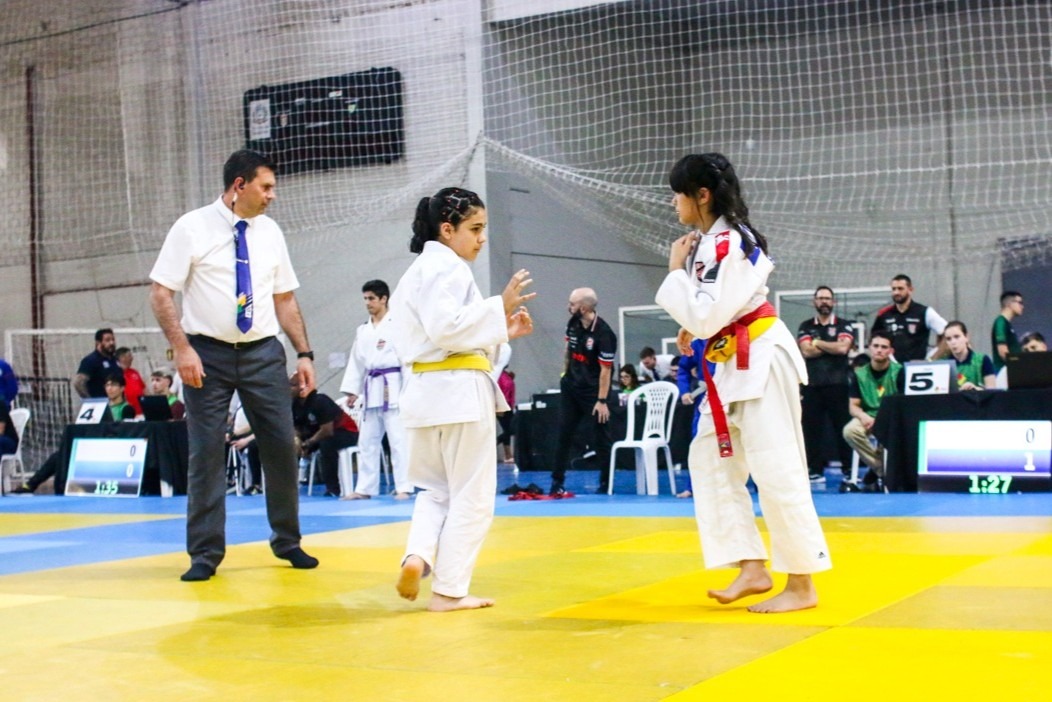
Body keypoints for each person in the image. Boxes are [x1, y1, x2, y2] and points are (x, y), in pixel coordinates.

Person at [654, 152, 830, 613]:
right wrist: (695, 324)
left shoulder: (728, 240)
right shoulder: (710, 242)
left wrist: (675, 273)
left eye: (678, 194)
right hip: (734, 359)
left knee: (777, 467)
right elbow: (714, 309)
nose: (674, 202)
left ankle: (802, 583)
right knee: (709, 459)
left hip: (762, 358)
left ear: (702, 195)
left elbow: (708, 312)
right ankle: (751, 565)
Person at [148, 149, 318, 582]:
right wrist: (182, 349)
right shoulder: (191, 227)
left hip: (263, 353)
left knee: (281, 445)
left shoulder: (271, 232)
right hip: (207, 354)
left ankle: (288, 540)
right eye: (266, 187)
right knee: (206, 452)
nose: (272, 195)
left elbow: (285, 298)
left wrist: (304, 353)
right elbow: (161, 293)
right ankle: (205, 553)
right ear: (239, 185)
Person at [390, 186, 535, 612]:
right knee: (472, 494)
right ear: (447, 229)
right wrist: (498, 306)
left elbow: (433, 336)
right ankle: (449, 591)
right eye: (475, 228)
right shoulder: (448, 268)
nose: (482, 238)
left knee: (435, 490)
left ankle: (418, 555)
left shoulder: (412, 275)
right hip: (458, 392)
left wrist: (501, 329)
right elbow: (447, 329)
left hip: (423, 391)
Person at [339, 279, 413, 500]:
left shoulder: (398, 325)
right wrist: (352, 390)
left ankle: (404, 487)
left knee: (398, 440)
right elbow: (356, 361)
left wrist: (409, 390)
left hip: (394, 386)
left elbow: (407, 360)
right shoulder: (363, 330)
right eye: (365, 299)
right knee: (367, 441)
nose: (367, 303)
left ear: (384, 299)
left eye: (371, 298)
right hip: (371, 389)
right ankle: (365, 488)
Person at [549, 287, 617, 495]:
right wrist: (565, 374)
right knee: (564, 433)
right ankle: (556, 482)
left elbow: (606, 370)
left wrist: (602, 401)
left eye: (572, 304)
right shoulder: (573, 324)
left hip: (594, 393)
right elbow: (568, 351)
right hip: (571, 387)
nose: (568, 307)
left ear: (584, 308)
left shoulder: (604, 334)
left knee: (601, 437)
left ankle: (606, 483)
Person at [796, 286, 856, 484]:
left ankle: (849, 469)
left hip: (839, 385)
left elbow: (843, 348)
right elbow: (806, 351)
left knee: (843, 428)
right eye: (820, 298)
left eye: (827, 298)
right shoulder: (805, 326)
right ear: (814, 302)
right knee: (811, 430)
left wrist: (817, 342)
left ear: (833, 302)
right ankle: (815, 470)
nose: (824, 302)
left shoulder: (844, 325)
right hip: (812, 386)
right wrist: (830, 345)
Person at [842, 331, 904, 492]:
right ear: (869, 348)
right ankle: (883, 470)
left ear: (890, 351)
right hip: (868, 416)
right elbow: (853, 406)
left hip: (891, 418)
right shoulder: (859, 374)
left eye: (884, 347)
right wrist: (863, 416)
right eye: (876, 346)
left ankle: (878, 471)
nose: (879, 350)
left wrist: (883, 420)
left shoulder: (900, 371)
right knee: (850, 431)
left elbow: (903, 404)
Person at [291, 372, 359, 497]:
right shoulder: (294, 404)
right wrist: (299, 442)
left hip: (346, 433)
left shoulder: (320, 400)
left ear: (303, 387)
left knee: (327, 444)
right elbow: (296, 427)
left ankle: (333, 488)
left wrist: (308, 443)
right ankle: (290, 485)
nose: (288, 389)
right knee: (290, 446)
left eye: (292, 385)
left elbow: (327, 430)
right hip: (317, 435)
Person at [872, 275, 948, 362]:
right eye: (894, 289)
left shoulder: (924, 312)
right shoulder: (884, 314)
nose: (896, 292)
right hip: (892, 367)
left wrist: (932, 359)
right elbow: (874, 339)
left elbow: (947, 332)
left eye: (900, 289)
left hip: (917, 365)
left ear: (910, 290)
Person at [941, 321, 996, 390]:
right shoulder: (943, 365)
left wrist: (974, 389)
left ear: (966, 337)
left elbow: (991, 390)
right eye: (949, 339)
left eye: (957, 337)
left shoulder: (983, 360)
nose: (953, 342)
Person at [72, 328, 123, 398]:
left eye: (113, 340)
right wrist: (90, 401)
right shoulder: (91, 360)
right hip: (100, 401)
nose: (112, 343)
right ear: (98, 342)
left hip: (115, 402)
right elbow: (78, 383)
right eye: (107, 340)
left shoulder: (114, 360)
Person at [990, 291, 1024, 373]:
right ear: (1009, 304)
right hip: (1004, 371)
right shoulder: (1000, 322)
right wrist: (1017, 367)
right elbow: (1002, 351)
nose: (1022, 307)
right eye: (1020, 303)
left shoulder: (1007, 324)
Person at [115, 347, 146, 417]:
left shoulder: (134, 372)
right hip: (126, 412)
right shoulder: (116, 373)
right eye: (129, 356)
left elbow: (143, 389)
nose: (132, 358)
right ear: (122, 358)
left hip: (140, 412)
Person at [496, 361, 516, 464]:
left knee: (509, 430)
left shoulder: (506, 374)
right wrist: (498, 407)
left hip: (509, 406)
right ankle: (493, 444)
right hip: (502, 407)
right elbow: (497, 391)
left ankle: (508, 455)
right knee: (509, 430)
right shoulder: (498, 376)